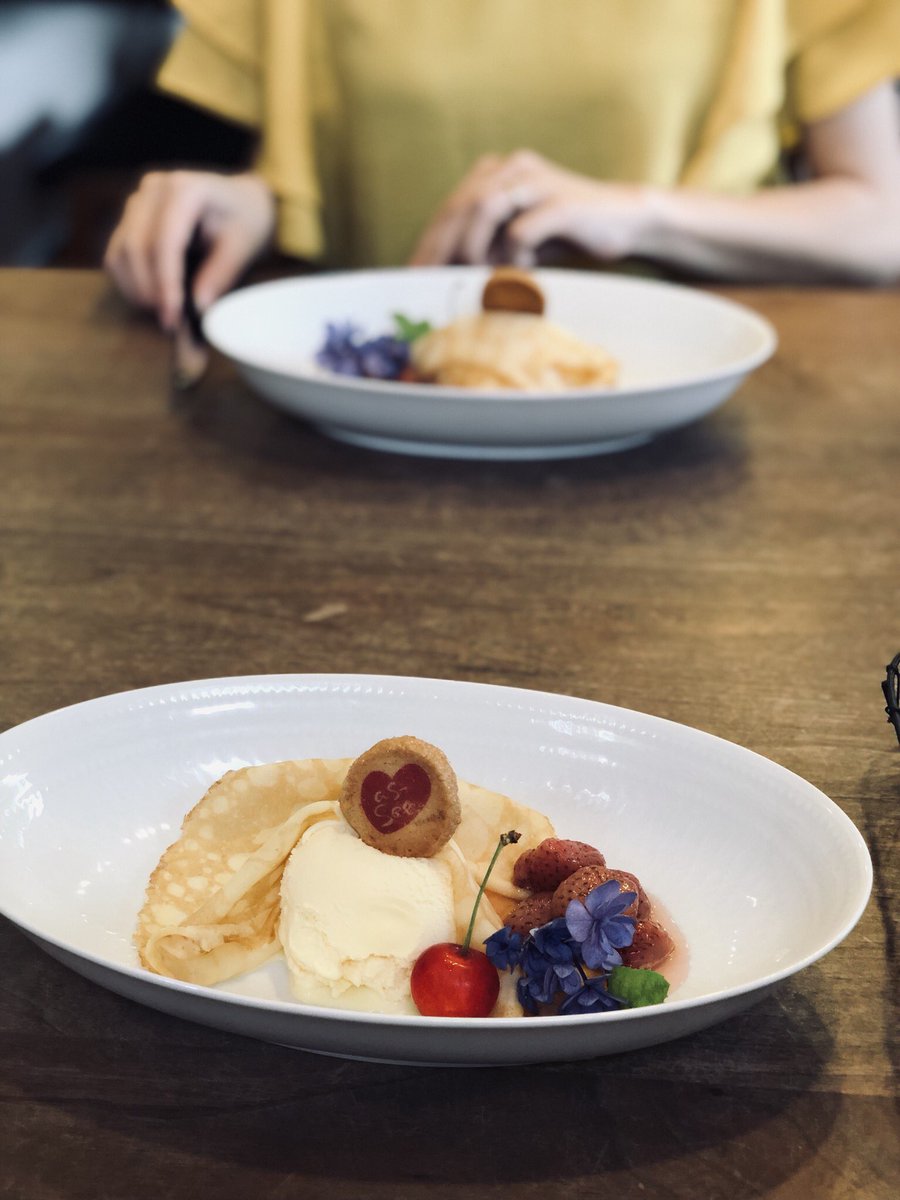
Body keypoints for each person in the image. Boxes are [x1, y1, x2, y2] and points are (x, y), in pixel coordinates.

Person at [104, 0, 900, 333]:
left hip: (704, 416)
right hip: (371, 423)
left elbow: (880, 223)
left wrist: (639, 213)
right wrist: (248, 204)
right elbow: (299, 165)